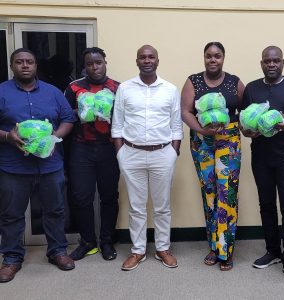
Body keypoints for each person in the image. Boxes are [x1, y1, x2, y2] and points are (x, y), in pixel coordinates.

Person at [0, 48, 76, 283]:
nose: (25, 65)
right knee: (12, 214)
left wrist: (56, 137)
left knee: (54, 211)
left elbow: (68, 119)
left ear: (36, 66)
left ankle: (57, 252)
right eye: (20, 62)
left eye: (29, 62)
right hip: (14, 166)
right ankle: (12, 258)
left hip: (50, 165)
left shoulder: (53, 92)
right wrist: (7, 137)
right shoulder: (1, 91)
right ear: (12, 66)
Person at [241, 46, 284, 284]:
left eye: (276, 61)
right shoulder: (251, 88)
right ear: (261, 63)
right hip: (260, 156)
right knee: (266, 205)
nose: (272, 64)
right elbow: (244, 125)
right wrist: (252, 132)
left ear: (283, 62)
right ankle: (272, 251)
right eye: (267, 61)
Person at [111, 44, 183, 271]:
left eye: (151, 56)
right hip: (131, 154)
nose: (147, 60)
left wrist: (173, 152)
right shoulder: (125, 88)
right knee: (136, 207)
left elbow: (176, 125)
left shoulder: (170, 89)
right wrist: (121, 152)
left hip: (163, 154)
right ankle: (138, 251)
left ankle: (163, 248)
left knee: (162, 206)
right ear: (137, 61)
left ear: (157, 61)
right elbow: (117, 124)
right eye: (143, 57)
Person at [180, 42, 245, 271]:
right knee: (209, 192)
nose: (213, 60)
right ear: (204, 58)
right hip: (202, 141)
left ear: (224, 58)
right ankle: (213, 246)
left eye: (217, 56)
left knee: (226, 192)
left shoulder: (234, 82)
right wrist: (201, 129)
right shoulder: (193, 81)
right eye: (209, 56)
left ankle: (226, 249)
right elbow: (185, 111)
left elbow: (245, 112)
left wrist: (253, 127)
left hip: (229, 141)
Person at [64, 47, 120, 261]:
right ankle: (87, 242)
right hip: (81, 149)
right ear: (84, 66)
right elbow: (64, 115)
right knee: (81, 197)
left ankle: (107, 241)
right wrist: (82, 111)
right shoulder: (74, 87)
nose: (94, 67)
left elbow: (125, 117)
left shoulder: (117, 87)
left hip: (109, 148)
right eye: (89, 63)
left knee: (109, 196)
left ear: (105, 62)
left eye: (98, 62)